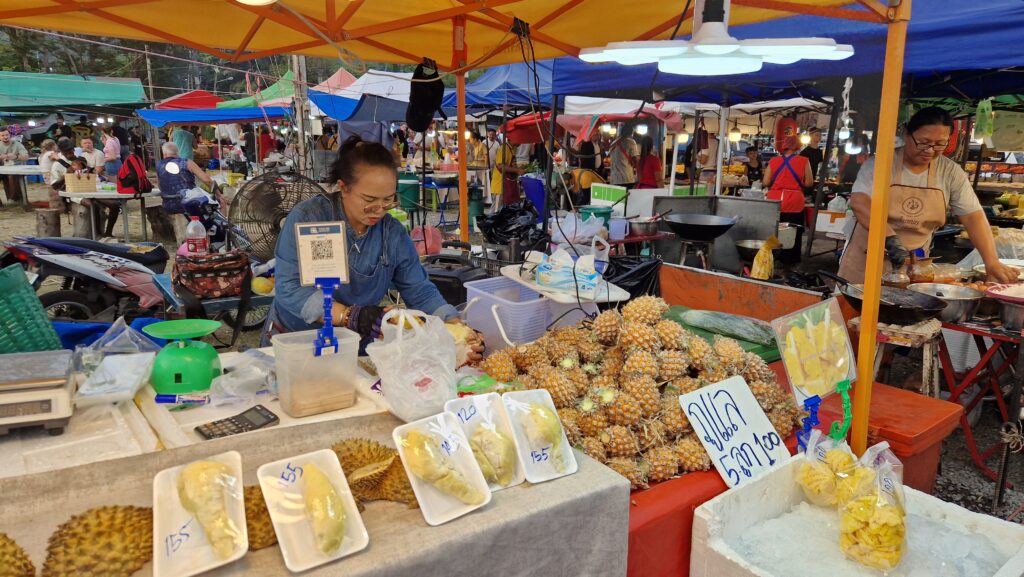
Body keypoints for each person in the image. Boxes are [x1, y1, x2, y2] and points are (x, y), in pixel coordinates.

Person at [264, 136, 485, 356]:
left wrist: (454, 325)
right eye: (369, 200)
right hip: (295, 342)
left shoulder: (392, 233)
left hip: (353, 347)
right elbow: (290, 288)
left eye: (388, 200)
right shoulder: (310, 219)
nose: (379, 210)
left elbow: (419, 289)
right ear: (343, 187)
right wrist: (349, 315)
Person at [839, 107, 1018, 284]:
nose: (930, 150)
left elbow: (973, 216)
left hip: (914, 266)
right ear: (906, 134)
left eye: (940, 144)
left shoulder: (950, 172)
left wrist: (992, 262)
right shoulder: (880, 163)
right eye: (923, 142)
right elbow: (860, 202)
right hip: (866, 259)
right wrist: (890, 238)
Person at [763, 135, 813, 263]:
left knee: (774, 229)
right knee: (793, 230)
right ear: (797, 146)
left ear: (784, 146)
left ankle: (772, 257)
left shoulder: (774, 161)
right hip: (794, 201)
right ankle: (791, 259)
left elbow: (766, 182)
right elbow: (809, 183)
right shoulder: (804, 161)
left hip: (775, 201)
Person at [157, 142, 215, 245]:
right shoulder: (187, 162)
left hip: (168, 204)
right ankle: (213, 235)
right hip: (189, 204)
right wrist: (218, 193)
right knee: (216, 204)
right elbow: (207, 180)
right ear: (177, 152)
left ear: (164, 154)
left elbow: (159, 185)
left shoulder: (159, 165)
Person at [490, 138, 524, 211]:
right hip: (500, 185)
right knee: (496, 212)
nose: (521, 142)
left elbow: (509, 165)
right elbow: (500, 166)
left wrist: (518, 168)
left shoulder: (512, 149)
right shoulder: (504, 149)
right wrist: (517, 170)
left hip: (507, 184)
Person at [0, 126, 29, 203]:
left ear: (10, 135)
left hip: (17, 169)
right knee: (7, 175)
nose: (5, 137)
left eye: (7, 135)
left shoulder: (17, 144)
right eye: (2, 135)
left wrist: (16, 156)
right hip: (3, 169)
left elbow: (26, 157)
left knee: (11, 175)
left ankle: (13, 199)